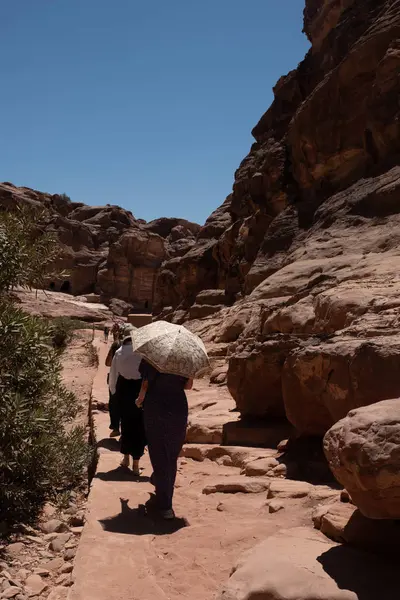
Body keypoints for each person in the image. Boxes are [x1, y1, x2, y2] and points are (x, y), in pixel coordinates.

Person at [136, 360, 193, 520]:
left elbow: (145, 384)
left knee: (158, 451)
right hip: (177, 407)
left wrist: (140, 400)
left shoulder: (151, 357)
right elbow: (188, 386)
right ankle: (163, 492)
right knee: (171, 455)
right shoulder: (184, 359)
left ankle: (164, 504)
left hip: (156, 406)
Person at [109, 333, 146, 475]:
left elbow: (113, 374)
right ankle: (136, 465)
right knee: (139, 426)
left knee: (125, 424)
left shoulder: (119, 352)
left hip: (123, 388)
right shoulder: (142, 352)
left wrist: (113, 391)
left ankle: (125, 459)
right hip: (139, 388)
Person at [105, 336, 123, 437]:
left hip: (115, 379)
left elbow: (107, 363)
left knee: (114, 403)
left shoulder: (116, 345)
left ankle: (115, 428)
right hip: (131, 380)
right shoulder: (134, 346)